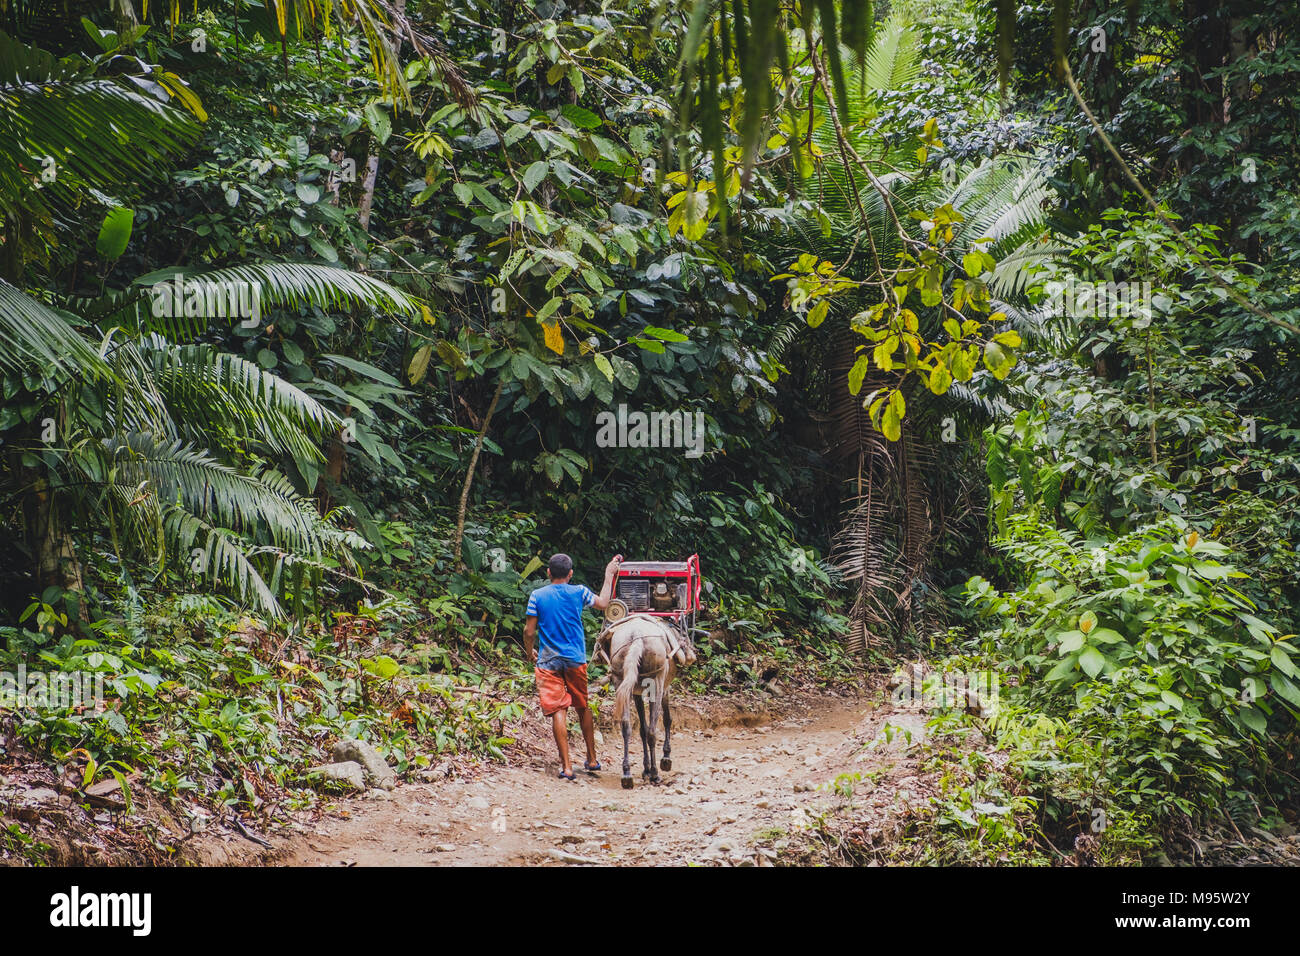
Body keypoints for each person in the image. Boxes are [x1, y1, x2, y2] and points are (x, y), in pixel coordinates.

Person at [524, 553, 620, 779]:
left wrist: (529, 652)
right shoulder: (579, 591)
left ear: (548, 573)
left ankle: (566, 767)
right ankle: (592, 759)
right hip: (575, 658)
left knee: (559, 709)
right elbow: (604, 604)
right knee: (582, 705)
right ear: (570, 574)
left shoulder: (537, 595)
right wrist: (609, 573)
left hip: (548, 660)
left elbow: (529, 631)